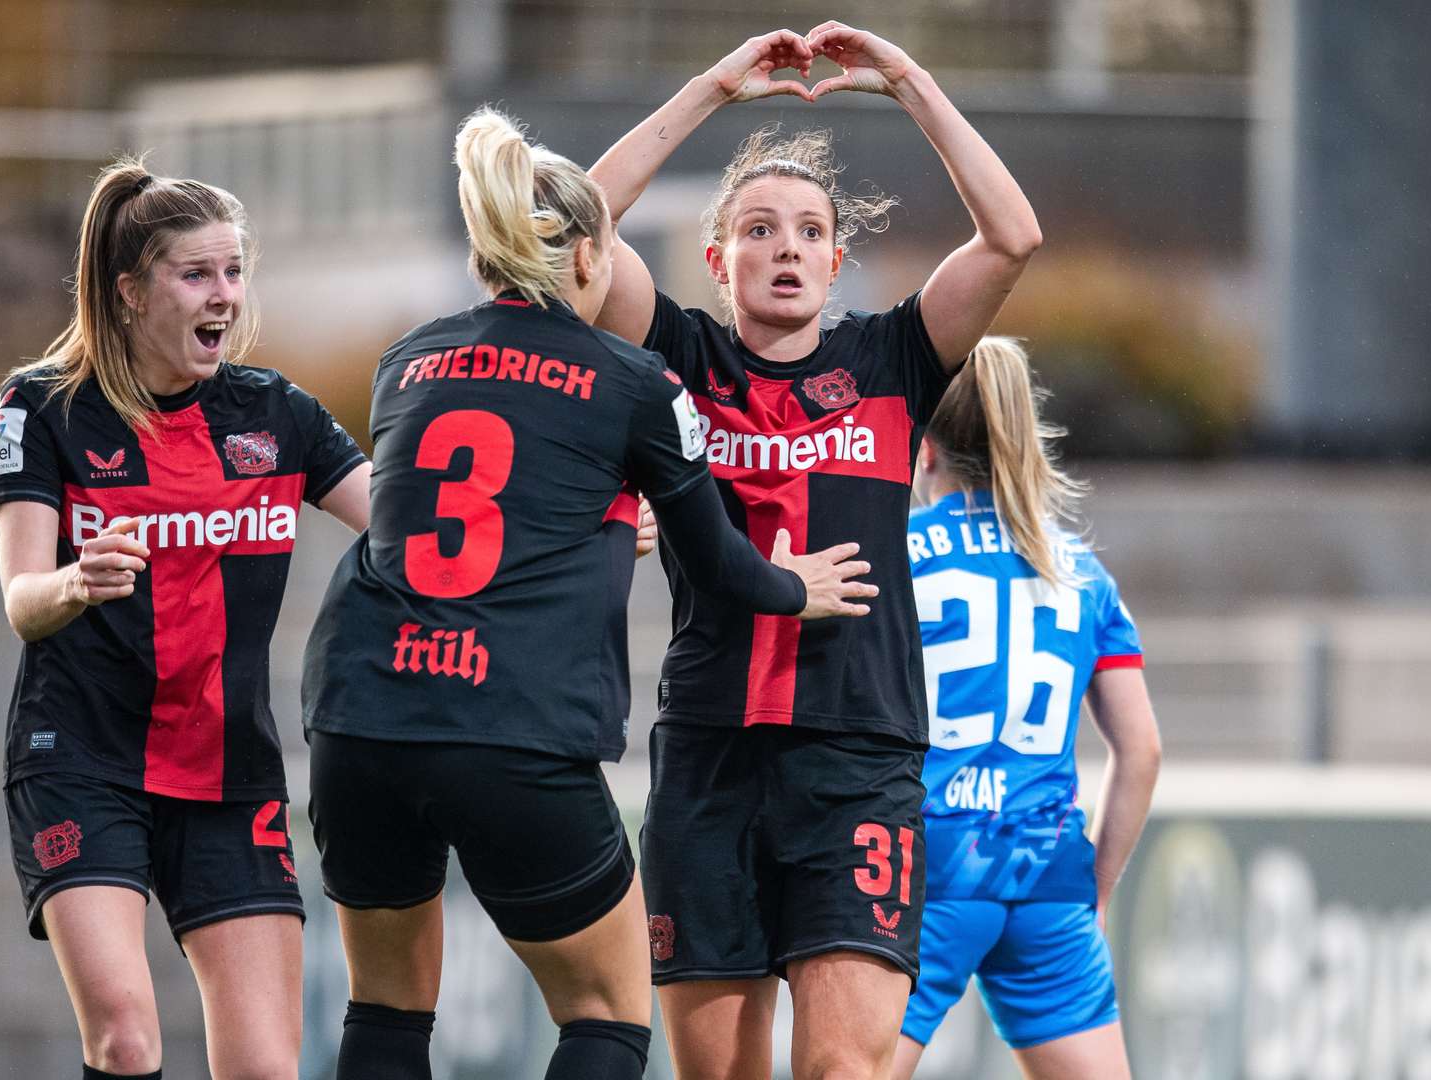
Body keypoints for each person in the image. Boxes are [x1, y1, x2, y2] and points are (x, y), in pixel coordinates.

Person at [297, 108, 876, 1080]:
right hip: (509, 720)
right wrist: (794, 588)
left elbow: (487, 507)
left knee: (387, 1009)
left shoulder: (407, 362)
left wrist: (603, 528)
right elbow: (723, 567)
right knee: (607, 1013)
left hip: (362, 709)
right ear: (590, 258)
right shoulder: (637, 380)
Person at [587, 21, 1042, 1080]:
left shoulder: (894, 358)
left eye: (806, 231)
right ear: (718, 258)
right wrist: (711, 89)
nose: (784, 247)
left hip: (860, 755)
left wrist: (910, 84)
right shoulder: (682, 356)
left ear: (838, 259)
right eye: (758, 228)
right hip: (710, 752)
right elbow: (563, 225)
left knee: (841, 1069)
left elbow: (1013, 237)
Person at [0, 160, 370, 1080]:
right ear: (129, 292)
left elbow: (420, 529)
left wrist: (583, 525)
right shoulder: (41, 405)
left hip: (229, 770)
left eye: (235, 273)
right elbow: (21, 600)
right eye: (197, 274)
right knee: (125, 1038)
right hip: (82, 758)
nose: (225, 296)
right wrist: (79, 580)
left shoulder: (278, 415)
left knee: (266, 1067)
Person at [894, 338, 1160, 1080]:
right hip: (1046, 873)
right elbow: (1141, 751)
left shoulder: (894, 553)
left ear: (923, 448)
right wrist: (1093, 887)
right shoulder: (1080, 570)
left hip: (924, 869)